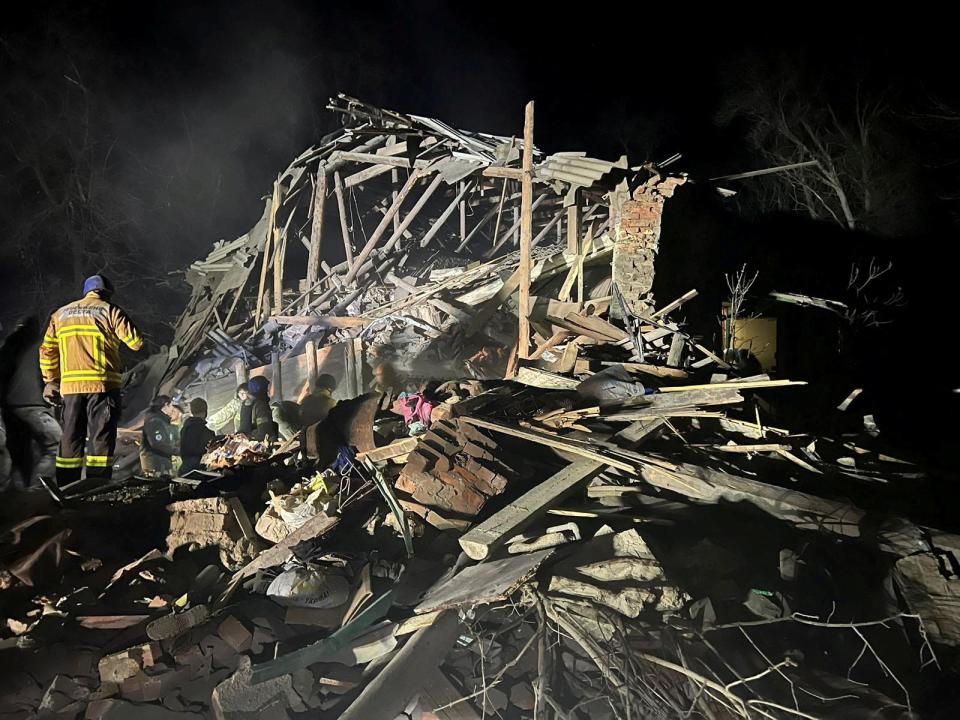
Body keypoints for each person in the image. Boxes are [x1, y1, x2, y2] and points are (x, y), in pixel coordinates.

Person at [39, 274, 143, 488]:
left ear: (86, 292)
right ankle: (96, 486)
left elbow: (47, 350)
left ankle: (67, 485)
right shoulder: (110, 311)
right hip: (102, 386)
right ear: (107, 293)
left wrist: (50, 381)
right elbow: (136, 342)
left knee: (70, 437)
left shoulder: (60, 314)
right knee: (101, 437)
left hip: (70, 389)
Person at [0, 316, 62, 489]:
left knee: (19, 454)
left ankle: (13, 495)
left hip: (8, 408)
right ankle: (36, 487)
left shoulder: (7, 346)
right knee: (56, 445)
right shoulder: (41, 346)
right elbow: (47, 374)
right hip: (32, 404)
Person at [140, 395, 180, 477]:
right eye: (171, 405)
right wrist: (178, 451)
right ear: (165, 405)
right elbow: (158, 444)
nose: (172, 409)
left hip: (161, 466)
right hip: (157, 468)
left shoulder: (160, 420)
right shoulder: (154, 421)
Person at [180, 398, 215, 475]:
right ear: (205, 411)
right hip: (198, 472)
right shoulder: (205, 431)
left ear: (192, 411)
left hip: (185, 470)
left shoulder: (185, 429)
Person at [243, 376, 278, 442]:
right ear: (260, 390)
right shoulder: (261, 406)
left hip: (248, 440)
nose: (267, 390)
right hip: (260, 444)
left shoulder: (246, 404)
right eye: (265, 388)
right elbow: (264, 433)